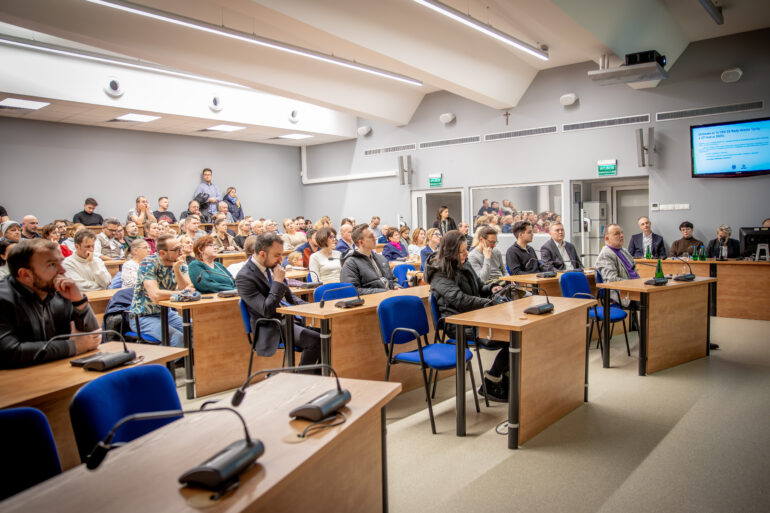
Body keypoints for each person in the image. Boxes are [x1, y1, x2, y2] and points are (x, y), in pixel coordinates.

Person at [424, 230, 506, 401]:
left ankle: (502, 381)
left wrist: (492, 288)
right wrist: (487, 303)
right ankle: (491, 384)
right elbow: (459, 299)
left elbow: (479, 288)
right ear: (450, 252)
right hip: (457, 324)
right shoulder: (439, 272)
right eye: (462, 251)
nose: (466, 254)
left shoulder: (464, 264)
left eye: (465, 250)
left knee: (515, 335)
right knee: (509, 338)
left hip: (474, 317)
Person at [0, 239, 100, 368]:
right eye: (52, 265)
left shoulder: (60, 290)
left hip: (56, 370)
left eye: (61, 262)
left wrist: (78, 301)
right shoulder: (3, 298)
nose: (63, 270)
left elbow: (92, 338)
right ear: (25, 275)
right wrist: (74, 346)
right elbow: (8, 352)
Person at [235, 232, 321, 367]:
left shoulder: (271, 267)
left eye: (281, 255)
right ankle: (302, 380)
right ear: (262, 254)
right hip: (270, 326)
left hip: (288, 320)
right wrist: (277, 282)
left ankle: (315, 377)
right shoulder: (244, 277)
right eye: (277, 255)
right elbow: (266, 310)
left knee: (327, 335)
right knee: (315, 341)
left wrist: (313, 307)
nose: (281, 260)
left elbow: (290, 297)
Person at [129, 234, 192, 347]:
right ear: (162, 253)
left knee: (196, 330)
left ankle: (188, 362)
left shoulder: (180, 262)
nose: (181, 252)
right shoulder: (148, 263)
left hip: (166, 313)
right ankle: (157, 363)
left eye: (181, 248)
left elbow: (188, 288)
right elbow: (155, 295)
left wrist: (176, 270)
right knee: (177, 338)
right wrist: (182, 293)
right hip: (143, 317)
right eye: (176, 249)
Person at [340, 224, 399, 294]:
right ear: (361, 242)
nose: (375, 238)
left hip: (390, 296)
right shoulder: (351, 263)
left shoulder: (381, 258)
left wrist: (397, 287)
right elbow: (352, 290)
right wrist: (384, 291)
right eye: (371, 236)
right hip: (373, 301)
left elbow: (392, 280)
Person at [595, 224, 640, 308]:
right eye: (617, 234)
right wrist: (634, 284)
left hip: (636, 289)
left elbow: (634, 271)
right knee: (652, 302)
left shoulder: (624, 251)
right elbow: (612, 280)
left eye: (622, 233)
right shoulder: (605, 254)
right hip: (624, 294)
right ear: (607, 238)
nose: (621, 235)